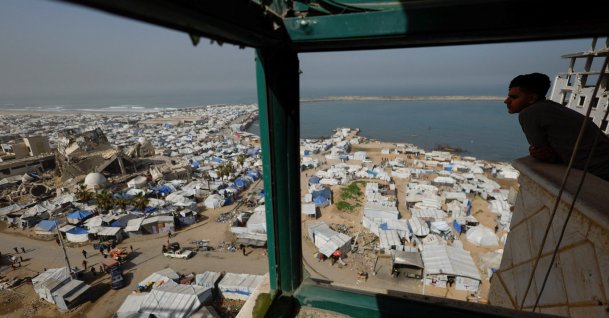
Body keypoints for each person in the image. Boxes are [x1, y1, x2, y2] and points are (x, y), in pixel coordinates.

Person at [505, 73, 609, 181]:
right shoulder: (552, 107)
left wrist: (536, 152)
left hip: (600, 171)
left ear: (531, 98)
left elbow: (543, 154)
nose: (506, 101)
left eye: (513, 97)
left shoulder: (529, 113)